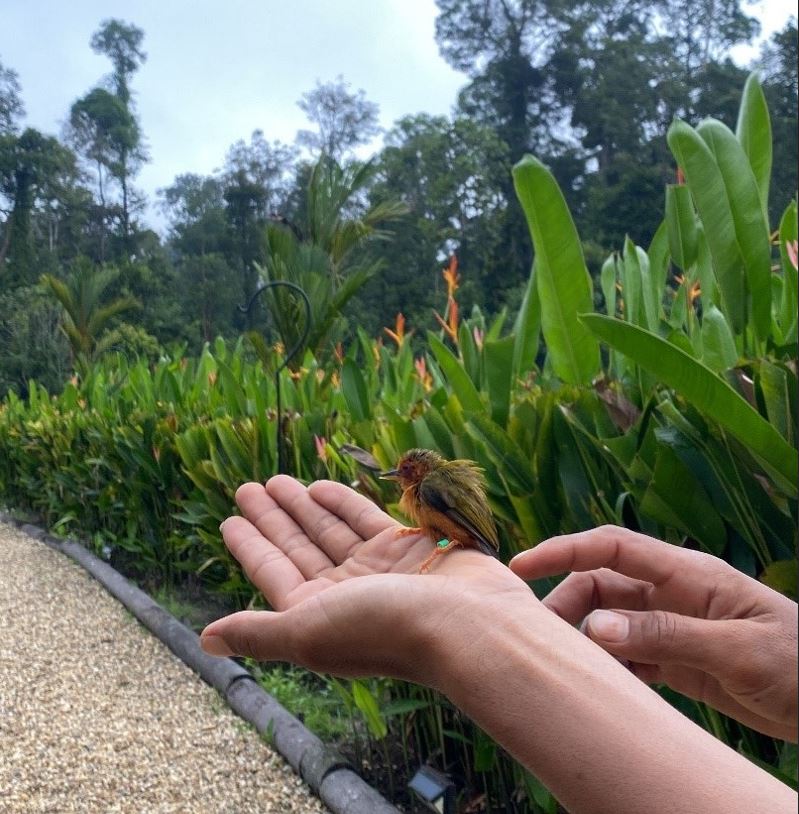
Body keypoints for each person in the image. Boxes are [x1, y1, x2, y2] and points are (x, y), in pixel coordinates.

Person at [200, 476, 798, 813]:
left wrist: (473, 629)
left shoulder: (434, 488)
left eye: (402, 477)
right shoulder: (423, 497)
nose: (399, 483)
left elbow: (460, 529)